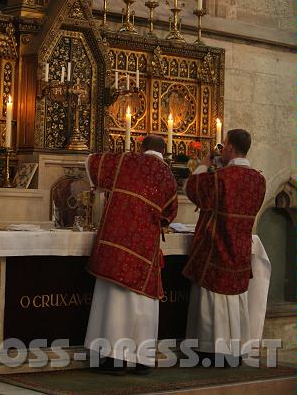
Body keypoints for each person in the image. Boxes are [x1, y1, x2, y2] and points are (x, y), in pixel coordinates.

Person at [84, 135, 178, 375]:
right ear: (162, 151)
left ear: (141, 149)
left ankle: (114, 359)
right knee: (143, 302)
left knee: (116, 299)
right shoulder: (168, 175)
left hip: (117, 242)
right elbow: (170, 212)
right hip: (146, 247)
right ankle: (142, 360)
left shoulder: (126, 161)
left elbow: (92, 162)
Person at [182, 129, 266, 366]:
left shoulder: (221, 178)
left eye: (225, 145)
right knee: (234, 299)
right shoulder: (259, 179)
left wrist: (204, 164)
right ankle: (236, 348)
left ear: (229, 148)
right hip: (239, 248)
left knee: (213, 299)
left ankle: (211, 350)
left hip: (217, 246)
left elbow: (193, 189)